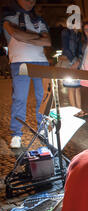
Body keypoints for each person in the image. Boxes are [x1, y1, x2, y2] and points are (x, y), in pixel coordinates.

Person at [2, 0, 51, 149]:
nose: (31, 1)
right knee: (19, 99)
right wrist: (37, 38)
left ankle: (42, 129)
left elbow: (47, 41)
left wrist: (24, 36)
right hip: (19, 62)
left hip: (41, 62)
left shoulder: (39, 19)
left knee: (43, 98)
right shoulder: (7, 18)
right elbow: (15, 35)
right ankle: (16, 134)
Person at [60, 18, 84, 117]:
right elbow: (65, 49)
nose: (82, 23)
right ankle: (74, 110)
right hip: (68, 62)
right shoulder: (66, 32)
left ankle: (80, 109)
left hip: (77, 62)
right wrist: (74, 61)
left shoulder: (79, 35)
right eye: (80, 21)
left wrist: (78, 61)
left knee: (77, 87)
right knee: (71, 88)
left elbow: (81, 50)